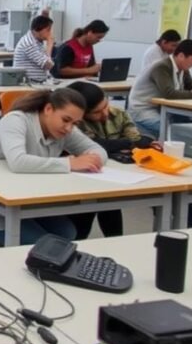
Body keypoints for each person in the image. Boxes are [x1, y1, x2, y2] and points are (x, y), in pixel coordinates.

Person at [0, 89, 108, 245]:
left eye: (75, 123)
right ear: (48, 109)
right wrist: (70, 163)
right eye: (66, 120)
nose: (69, 128)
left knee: (67, 233)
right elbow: (18, 161)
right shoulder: (16, 120)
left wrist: (93, 159)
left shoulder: (64, 129)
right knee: (44, 245)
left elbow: (99, 151)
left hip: (27, 200)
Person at [66, 81, 157, 239]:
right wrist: (130, 143)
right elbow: (95, 145)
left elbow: (135, 138)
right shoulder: (74, 123)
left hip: (112, 173)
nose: (105, 114)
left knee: (109, 202)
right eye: (97, 112)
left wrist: (130, 143)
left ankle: (116, 240)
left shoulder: (118, 113)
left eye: (106, 105)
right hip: (81, 180)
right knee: (90, 208)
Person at [128, 39, 192, 139]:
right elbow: (169, 93)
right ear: (181, 56)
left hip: (162, 108)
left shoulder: (182, 67)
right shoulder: (162, 67)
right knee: (173, 132)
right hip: (143, 110)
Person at [13, 15, 55, 83]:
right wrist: (49, 45)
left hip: (37, 82)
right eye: (48, 30)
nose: (50, 33)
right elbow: (48, 65)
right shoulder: (28, 43)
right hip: (28, 84)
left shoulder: (37, 41)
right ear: (38, 29)